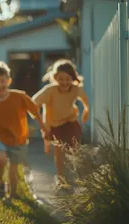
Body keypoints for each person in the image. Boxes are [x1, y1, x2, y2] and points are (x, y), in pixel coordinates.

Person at [0, 59, 48, 200]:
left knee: (13, 168)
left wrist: (43, 129)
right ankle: (1, 183)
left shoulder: (20, 97)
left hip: (18, 139)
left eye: (2, 81)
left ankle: (13, 193)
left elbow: (35, 112)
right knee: (0, 159)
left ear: (9, 81)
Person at [32, 59, 89, 191]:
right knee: (59, 150)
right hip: (54, 124)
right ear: (55, 78)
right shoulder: (50, 90)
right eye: (60, 79)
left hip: (70, 121)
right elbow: (33, 104)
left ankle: (76, 174)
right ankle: (60, 177)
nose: (64, 82)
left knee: (74, 148)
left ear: (73, 78)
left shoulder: (76, 89)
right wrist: (42, 125)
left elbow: (85, 100)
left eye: (67, 79)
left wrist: (86, 111)